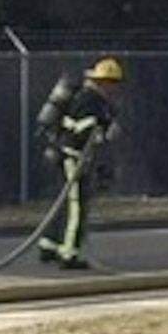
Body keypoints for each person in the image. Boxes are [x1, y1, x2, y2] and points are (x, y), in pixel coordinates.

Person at [37, 56, 125, 269]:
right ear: (104, 82)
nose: (114, 89)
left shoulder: (88, 98)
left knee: (64, 203)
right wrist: (105, 133)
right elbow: (84, 130)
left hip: (67, 154)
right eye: (111, 84)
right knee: (77, 207)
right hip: (73, 157)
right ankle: (69, 254)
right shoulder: (91, 101)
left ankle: (49, 245)